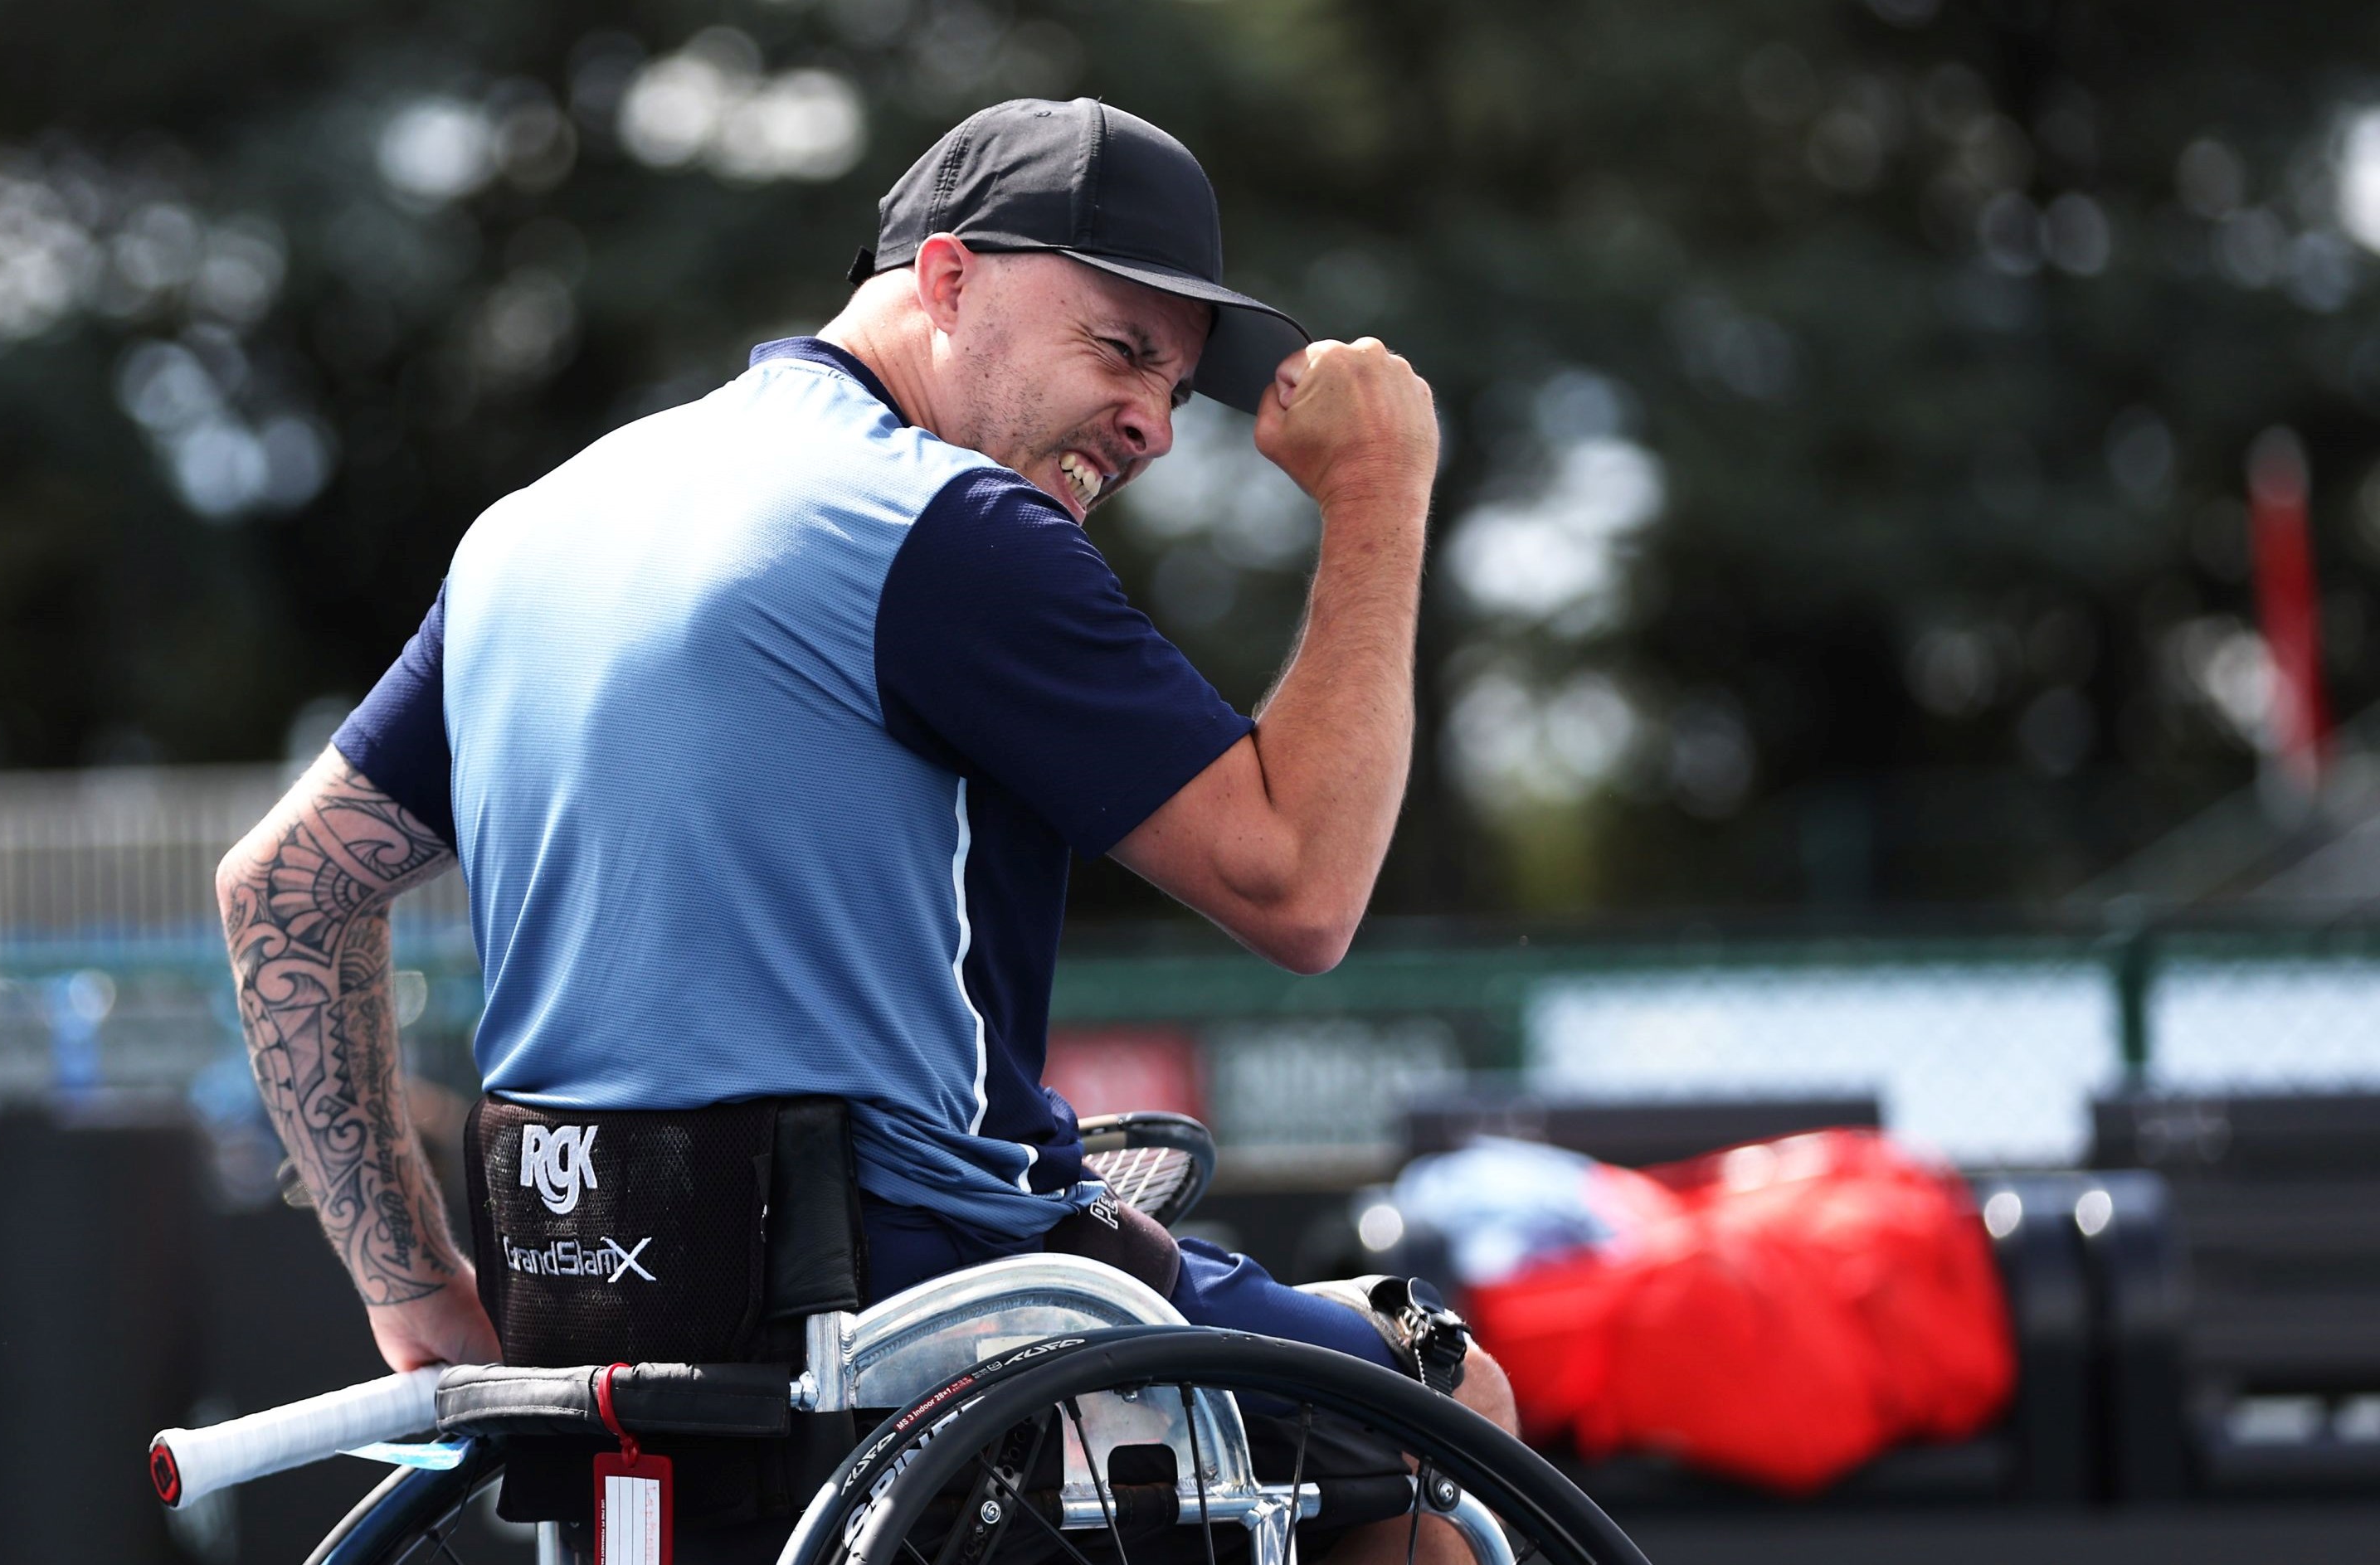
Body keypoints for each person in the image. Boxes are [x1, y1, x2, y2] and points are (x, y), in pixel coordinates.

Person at [217, 95, 1511, 1552]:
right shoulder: (948, 528)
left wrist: (417, 1296)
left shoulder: (537, 521)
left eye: (1176, 383)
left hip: (590, 1319)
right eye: (1122, 347)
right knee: (1451, 1391)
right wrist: (1377, 493)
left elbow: (283, 891)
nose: (1153, 422)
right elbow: (1301, 890)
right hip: (920, 1318)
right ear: (949, 281)